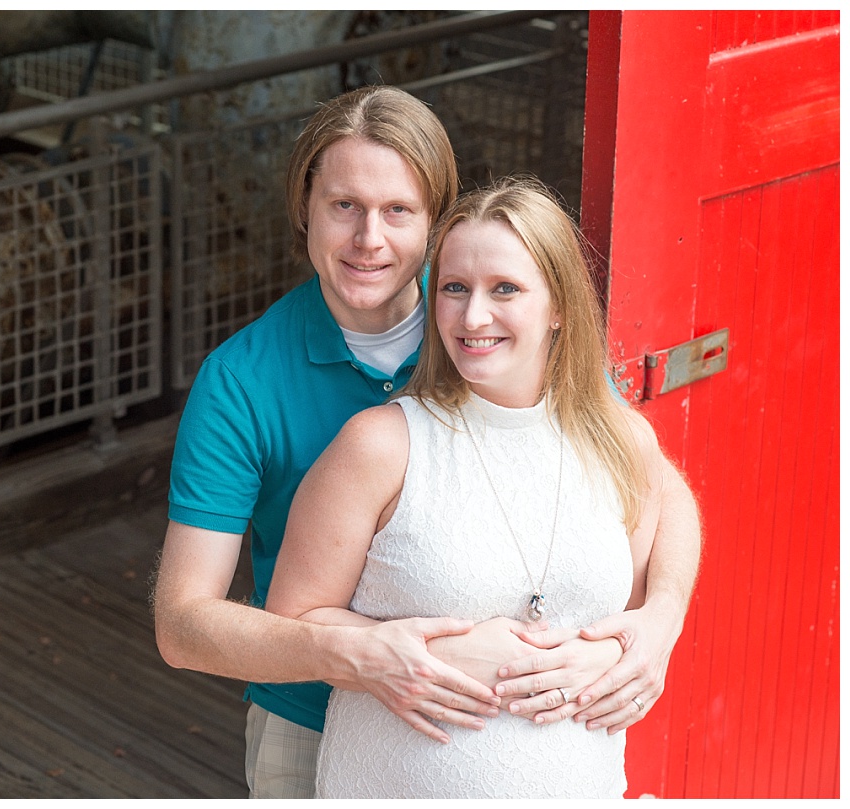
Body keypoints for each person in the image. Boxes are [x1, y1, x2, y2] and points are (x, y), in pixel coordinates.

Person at [153, 86, 701, 799]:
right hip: (313, 719)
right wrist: (363, 654)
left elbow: (656, 482)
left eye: (398, 211)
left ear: (437, 224)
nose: (368, 239)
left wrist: (659, 618)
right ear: (305, 208)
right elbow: (183, 622)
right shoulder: (242, 381)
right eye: (344, 205)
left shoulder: (496, 334)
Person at [265, 176, 679, 798]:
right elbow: (291, 621)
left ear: (560, 304)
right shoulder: (380, 445)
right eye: (454, 288)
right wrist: (429, 654)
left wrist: (635, 643)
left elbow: (634, 616)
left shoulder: (622, 440)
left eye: (505, 289)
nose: (473, 315)